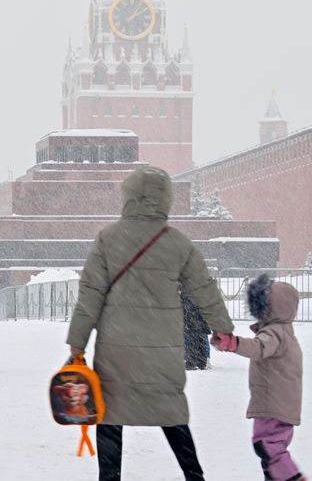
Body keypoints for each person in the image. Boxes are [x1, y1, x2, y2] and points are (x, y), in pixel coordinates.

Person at [66, 167, 233, 481]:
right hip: (162, 347)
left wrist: (78, 341)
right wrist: (222, 327)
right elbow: (203, 288)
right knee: (170, 412)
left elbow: (90, 294)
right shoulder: (177, 243)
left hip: (116, 347)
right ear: (165, 199)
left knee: (110, 414)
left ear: (127, 196)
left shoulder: (108, 239)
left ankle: (110, 477)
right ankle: (194, 475)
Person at [212, 275, 305, 481]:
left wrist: (233, 343)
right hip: (282, 403)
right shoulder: (285, 331)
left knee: (267, 446)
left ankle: (293, 478)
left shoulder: (273, 333)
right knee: (271, 450)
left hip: (272, 403)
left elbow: (258, 348)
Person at [181, 287, 211, 370]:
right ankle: (202, 361)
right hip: (199, 315)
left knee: (192, 339)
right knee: (200, 338)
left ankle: (192, 361)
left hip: (192, 316)